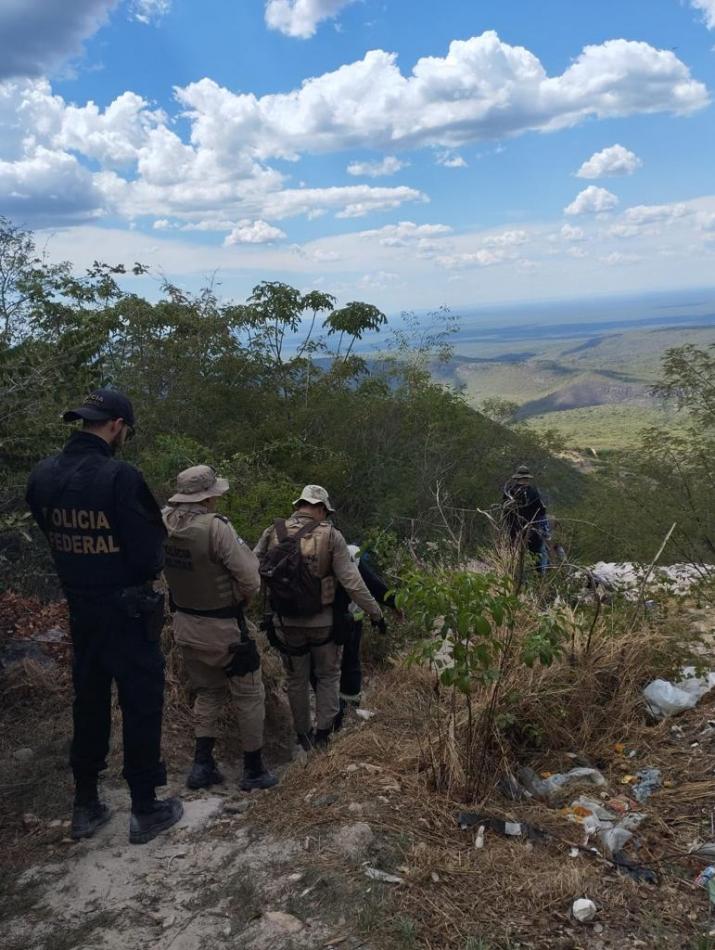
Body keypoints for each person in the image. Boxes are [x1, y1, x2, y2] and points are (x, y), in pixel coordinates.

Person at [25, 388, 183, 845]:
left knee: (89, 700)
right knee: (140, 702)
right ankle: (144, 807)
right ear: (116, 426)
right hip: (127, 610)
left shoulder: (43, 475)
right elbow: (150, 554)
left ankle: (85, 804)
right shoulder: (120, 477)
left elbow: (48, 529)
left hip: (80, 608)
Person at [162, 465, 277, 792]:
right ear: (209, 496)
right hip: (224, 629)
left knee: (208, 692)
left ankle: (202, 766)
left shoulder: (163, 522)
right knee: (250, 693)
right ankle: (253, 769)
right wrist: (244, 600)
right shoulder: (216, 528)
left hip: (183, 625)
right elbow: (250, 579)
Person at [254, 485, 383, 751]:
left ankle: (303, 735)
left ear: (299, 505)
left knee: (296, 680)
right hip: (322, 623)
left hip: (285, 623)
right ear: (321, 508)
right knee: (328, 676)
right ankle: (324, 735)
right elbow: (353, 583)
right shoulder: (331, 536)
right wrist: (376, 613)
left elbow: (251, 571)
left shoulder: (273, 531)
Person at [329, 545, 396, 731]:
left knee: (320, 674)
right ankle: (346, 716)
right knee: (349, 667)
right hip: (346, 622)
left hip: (305, 624)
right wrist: (390, 606)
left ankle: (314, 729)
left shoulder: (297, 546)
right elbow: (371, 585)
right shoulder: (348, 552)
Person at [501, 464, 550, 575]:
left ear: (517, 478)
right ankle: (539, 577)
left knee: (512, 554)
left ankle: (510, 575)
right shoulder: (533, 492)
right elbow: (541, 511)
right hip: (531, 530)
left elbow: (504, 511)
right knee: (538, 553)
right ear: (527, 478)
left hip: (513, 530)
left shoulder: (508, 492)